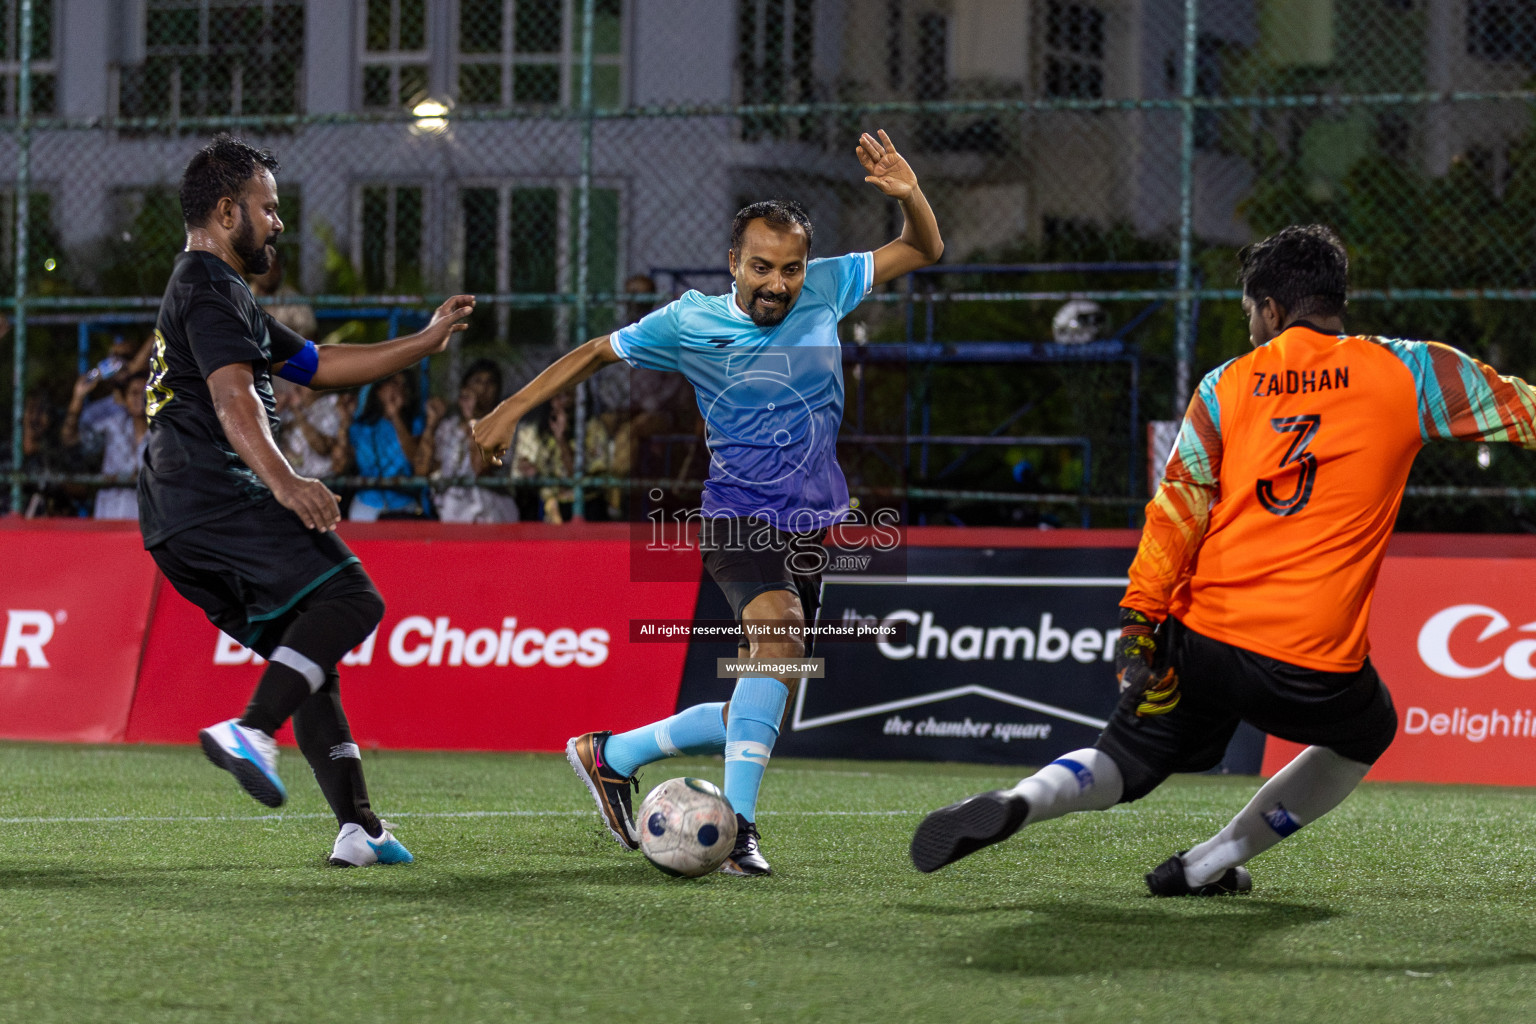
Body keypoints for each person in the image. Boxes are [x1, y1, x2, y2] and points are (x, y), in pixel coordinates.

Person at [908, 223, 1536, 894]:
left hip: (1202, 636)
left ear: (1270, 308)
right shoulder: (1411, 370)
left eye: (1248, 314)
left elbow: (1176, 512)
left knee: (1123, 759)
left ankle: (1024, 801)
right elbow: (1527, 415)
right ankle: (1208, 863)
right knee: (1368, 727)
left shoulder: (1224, 385)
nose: (1249, 329)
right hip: (1308, 663)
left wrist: (1136, 625)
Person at [474, 130, 944, 875]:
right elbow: (598, 351)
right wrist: (508, 410)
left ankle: (611, 753)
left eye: (789, 269)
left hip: (814, 522)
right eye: (762, 267)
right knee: (780, 643)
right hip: (735, 513)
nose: (778, 283)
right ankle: (740, 832)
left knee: (763, 690)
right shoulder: (690, 320)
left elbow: (922, 249)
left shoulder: (828, 284)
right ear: (734, 264)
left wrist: (910, 194)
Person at [138, 133, 474, 866]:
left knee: (310, 655)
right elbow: (233, 400)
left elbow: (320, 366)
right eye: (270, 207)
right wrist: (286, 482)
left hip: (174, 520)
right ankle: (251, 730)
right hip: (213, 494)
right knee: (354, 601)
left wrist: (423, 341)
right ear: (229, 212)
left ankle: (360, 827)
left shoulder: (218, 293)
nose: (279, 222)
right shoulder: (210, 288)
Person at [414, 359, 519, 523]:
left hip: (491, 514)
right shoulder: (449, 426)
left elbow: (480, 468)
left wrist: (473, 418)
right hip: (452, 514)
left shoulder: (503, 426)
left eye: (490, 383)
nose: (484, 389)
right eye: (478, 381)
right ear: (465, 388)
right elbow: (422, 470)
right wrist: (431, 424)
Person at [347, 369, 427, 520]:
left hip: (404, 505)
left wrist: (395, 416)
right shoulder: (361, 427)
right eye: (394, 383)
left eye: (404, 385)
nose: (399, 388)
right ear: (379, 390)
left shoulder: (415, 424)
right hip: (366, 504)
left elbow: (416, 459)